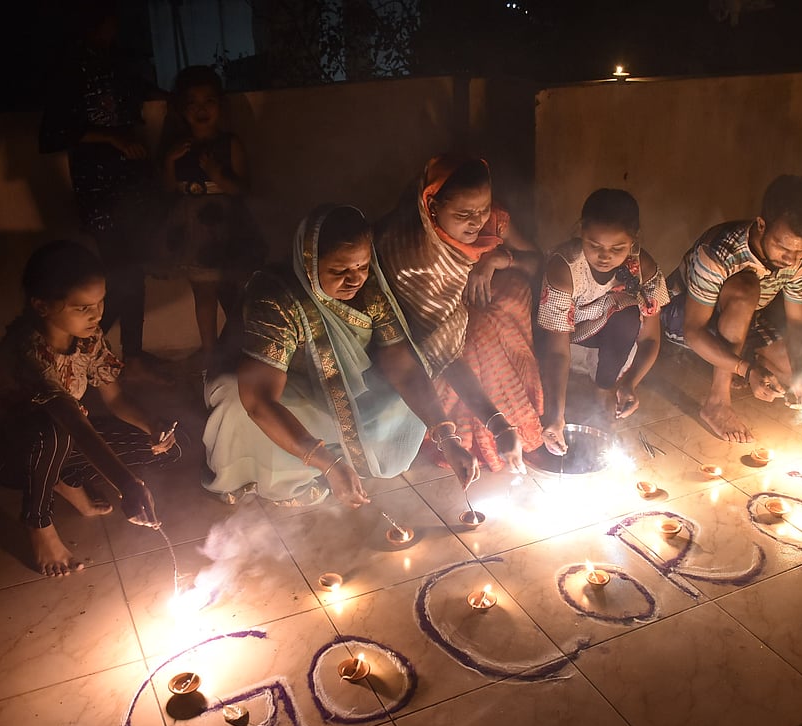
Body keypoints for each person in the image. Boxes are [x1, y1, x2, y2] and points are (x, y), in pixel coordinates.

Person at [202, 205, 479, 509]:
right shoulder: (276, 298)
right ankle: (261, 472)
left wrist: (446, 438)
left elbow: (404, 367)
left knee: (405, 392)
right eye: (339, 271)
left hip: (343, 385)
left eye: (362, 266)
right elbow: (258, 401)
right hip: (281, 390)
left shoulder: (370, 286)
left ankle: (337, 457)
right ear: (308, 264)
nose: (355, 279)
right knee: (235, 402)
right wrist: (328, 465)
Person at [0, 242, 179, 577]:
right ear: (42, 305)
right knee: (55, 428)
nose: (97, 315)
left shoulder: (89, 338)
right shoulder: (29, 352)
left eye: (100, 302)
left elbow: (116, 400)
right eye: (82, 308)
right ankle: (38, 522)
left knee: (168, 451)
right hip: (5, 455)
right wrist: (127, 483)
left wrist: (152, 425)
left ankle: (61, 478)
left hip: (62, 437)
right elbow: (73, 424)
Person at [375, 155, 543, 473]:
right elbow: (436, 339)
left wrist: (494, 261)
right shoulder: (412, 251)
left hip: (488, 297)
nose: (476, 222)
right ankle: (470, 438)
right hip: (439, 321)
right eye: (463, 214)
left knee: (498, 314)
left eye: (482, 209)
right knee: (474, 339)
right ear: (433, 206)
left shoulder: (495, 221)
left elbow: (536, 262)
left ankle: (517, 426)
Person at [38, 1, 165, 381]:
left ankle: (131, 357)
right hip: (100, 187)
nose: (114, 27)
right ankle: (74, 356)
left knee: (133, 273)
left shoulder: (118, 62)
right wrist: (111, 138)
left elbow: (143, 93)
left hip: (132, 185)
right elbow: (53, 134)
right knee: (118, 275)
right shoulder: (70, 67)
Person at [661, 174, 802, 443]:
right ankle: (717, 402)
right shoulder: (719, 251)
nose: (791, 260)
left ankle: (729, 363)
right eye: (783, 247)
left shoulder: (797, 257)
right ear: (762, 225)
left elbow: (799, 324)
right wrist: (748, 370)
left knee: (801, 373)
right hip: (682, 318)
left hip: (741, 320)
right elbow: (693, 331)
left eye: (801, 252)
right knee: (745, 288)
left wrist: (800, 375)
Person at [537, 189, 668, 455]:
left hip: (609, 331)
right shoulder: (566, 267)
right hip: (563, 335)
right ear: (581, 232)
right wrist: (556, 414)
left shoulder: (643, 267)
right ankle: (566, 397)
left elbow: (651, 338)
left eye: (617, 248)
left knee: (628, 314)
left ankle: (604, 390)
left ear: (634, 240)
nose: (605, 256)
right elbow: (557, 350)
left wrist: (630, 383)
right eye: (594, 245)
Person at [160, 65, 264, 369]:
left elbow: (243, 188)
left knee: (236, 290)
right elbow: (167, 190)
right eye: (192, 103)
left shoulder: (229, 143)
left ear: (220, 105)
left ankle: (239, 349)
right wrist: (169, 162)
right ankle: (209, 352)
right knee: (203, 291)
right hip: (192, 228)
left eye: (208, 101)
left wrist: (217, 173)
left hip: (227, 227)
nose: (201, 109)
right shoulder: (177, 146)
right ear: (181, 109)